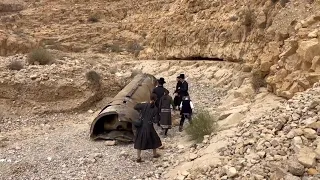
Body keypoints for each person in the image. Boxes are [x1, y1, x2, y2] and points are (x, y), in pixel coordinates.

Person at [133, 93, 162, 162]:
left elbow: (135, 107)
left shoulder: (144, 105)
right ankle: (154, 154)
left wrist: (141, 103)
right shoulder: (155, 109)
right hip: (149, 126)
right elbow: (156, 120)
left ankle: (138, 158)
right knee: (154, 139)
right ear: (156, 99)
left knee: (139, 141)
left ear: (150, 98)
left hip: (141, 125)